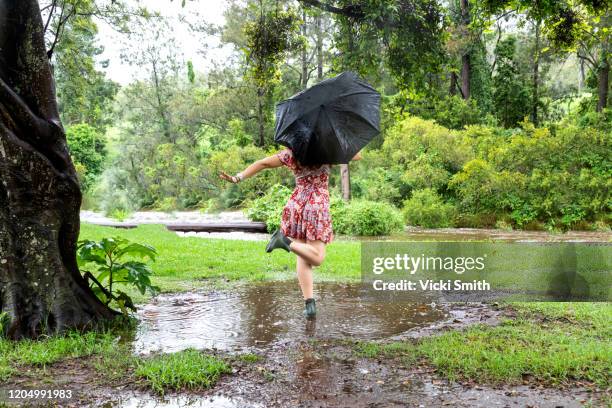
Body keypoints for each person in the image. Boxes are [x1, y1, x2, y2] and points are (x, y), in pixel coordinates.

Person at [220, 148, 361, 318]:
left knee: (303, 256)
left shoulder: (293, 151)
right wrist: (341, 139)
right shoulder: (327, 149)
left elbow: (263, 163)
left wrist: (237, 177)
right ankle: (284, 241)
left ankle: (310, 305)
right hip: (316, 206)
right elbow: (358, 155)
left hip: (296, 204)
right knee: (317, 258)